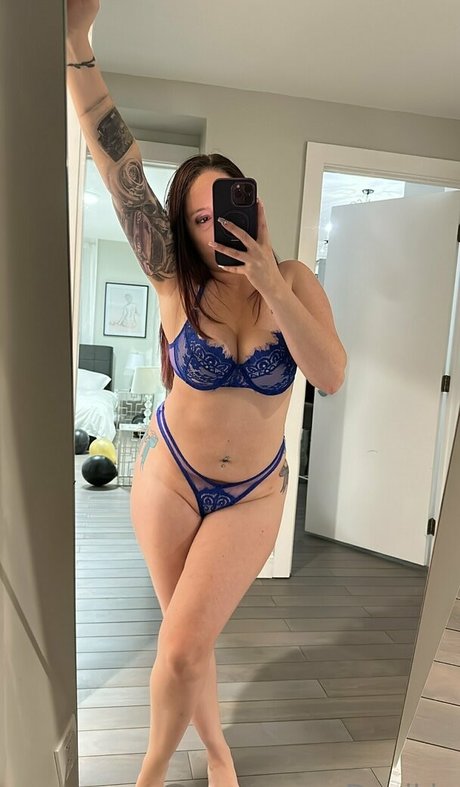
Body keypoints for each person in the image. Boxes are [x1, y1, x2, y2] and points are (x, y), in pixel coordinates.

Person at [66, 3, 347, 785]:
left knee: (186, 639)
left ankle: (158, 770)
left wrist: (270, 283)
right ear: (183, 231)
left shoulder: (293, 281)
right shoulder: (172, 282)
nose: (215, 226)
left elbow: (330, 374)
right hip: (170, 478)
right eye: (198, 218)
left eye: (227, 207)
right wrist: (78, 45)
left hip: (253, 493)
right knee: (187, 638)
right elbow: (116, 163)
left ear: (253, 206)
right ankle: (204, 756)